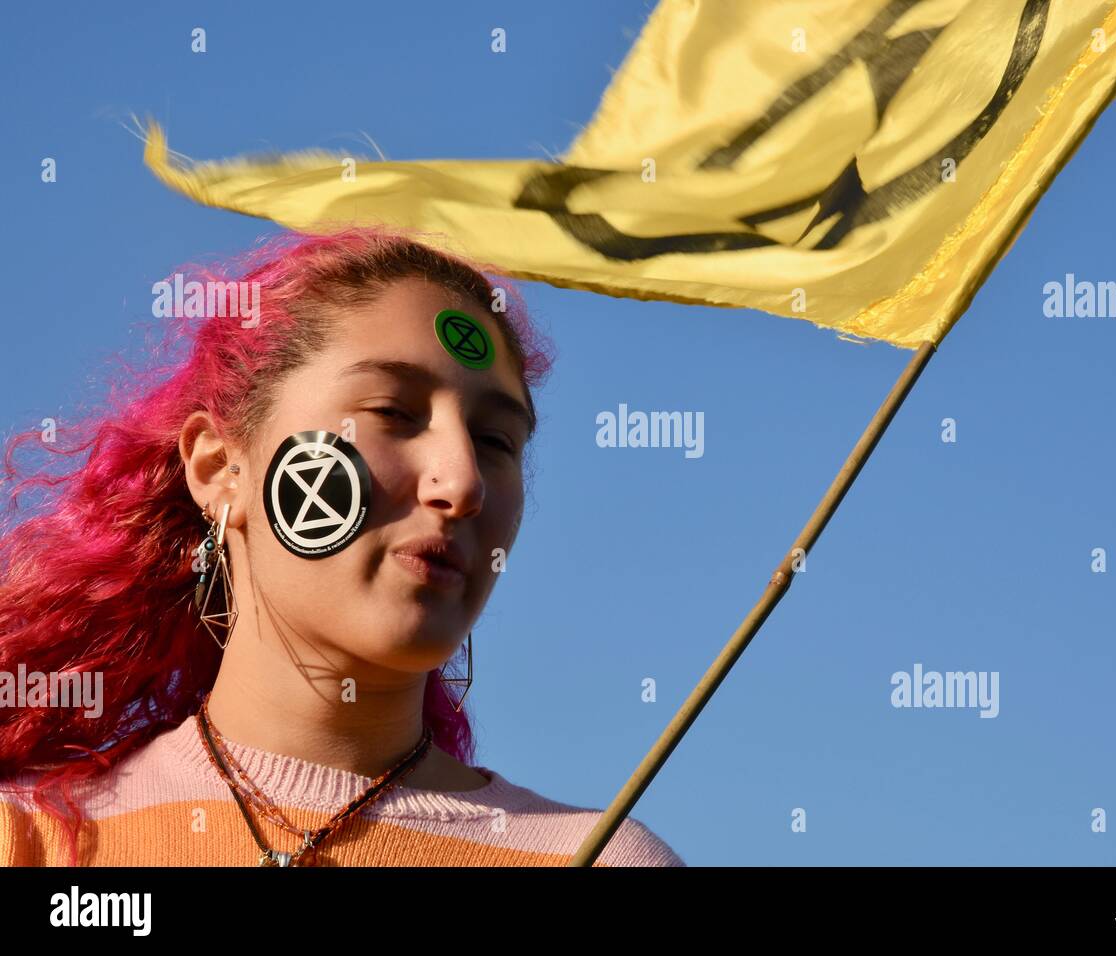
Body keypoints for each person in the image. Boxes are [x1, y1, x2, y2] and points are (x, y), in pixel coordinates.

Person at [0, 224, 684, 867]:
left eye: (496, 441)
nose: (463, 481)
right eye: (392, 412)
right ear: (217, 468)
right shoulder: (33, 840)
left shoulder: (594, 856)